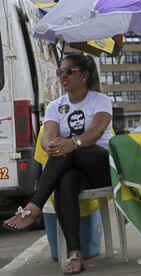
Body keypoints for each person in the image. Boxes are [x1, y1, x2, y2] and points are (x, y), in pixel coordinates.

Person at [3, 54, 113, 274]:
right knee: (65, 180)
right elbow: (48, 136)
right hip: (73, 169)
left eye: (68, 71)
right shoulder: (56, 105)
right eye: (59, 72)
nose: (62, 76)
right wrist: (52, 144)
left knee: (70, 151)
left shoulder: (100, 100)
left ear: (84, 75)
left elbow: (95, 133)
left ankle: (34, 206)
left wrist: (73, 143)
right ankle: (75, 254)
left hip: (100, 167)